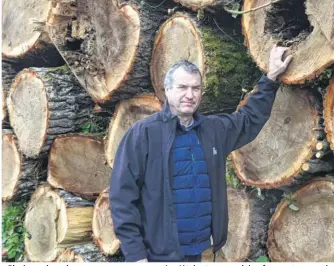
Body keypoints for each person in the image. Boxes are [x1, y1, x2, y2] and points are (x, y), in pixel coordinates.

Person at [109, 45, 293, 262]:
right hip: (156, 254)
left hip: (198, 250)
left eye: (195, 88)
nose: (190, 95)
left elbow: (248, 120)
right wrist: (136, 255)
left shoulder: (213, 130)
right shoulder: (143, 134)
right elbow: (122, 198)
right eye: (182, 87)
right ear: (167, 90)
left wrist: (271, 78)